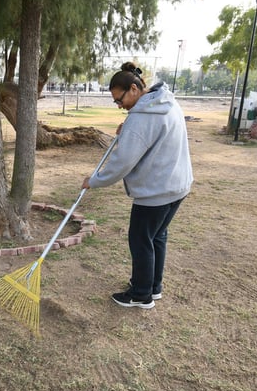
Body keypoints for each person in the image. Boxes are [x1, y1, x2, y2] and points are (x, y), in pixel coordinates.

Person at [82, 62, 193, 309]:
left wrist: (94, 181)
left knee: (140, 239)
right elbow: (152, 138)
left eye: (118, 99)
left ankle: (141, 294)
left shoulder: (141, 118)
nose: (119, 106)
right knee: (156, 236)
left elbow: (122, 163)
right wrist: (127, 132)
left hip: (157, 191)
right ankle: (154, 288)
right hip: (178, 185)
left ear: (133, 88)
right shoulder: (165, 102)